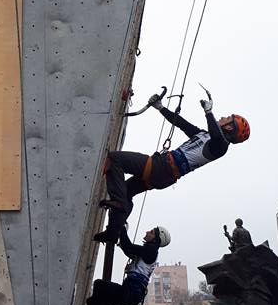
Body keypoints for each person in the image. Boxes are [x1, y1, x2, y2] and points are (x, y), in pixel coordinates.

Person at [95, 93, 250, 243]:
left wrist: (208, 112)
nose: (222, 118)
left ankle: (119, 204)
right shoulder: (204, 135)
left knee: (115, 159)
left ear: (230, 128)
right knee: (127, 191)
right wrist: (161, 108)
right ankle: (113, 231)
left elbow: (217, 136)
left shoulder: (221, 147)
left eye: (227, 119)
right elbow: (181, 123)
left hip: (162, 167)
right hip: (164, 174)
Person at [82, 224, 171, 305]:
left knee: (99, 285)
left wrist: (122, 227)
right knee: (93, 301)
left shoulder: (151, 251)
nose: (147, 232)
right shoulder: (147, 252)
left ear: (156, 238)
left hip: (131, 293)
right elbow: (127, 248)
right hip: (131, 293)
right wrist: (122, 233)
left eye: (151, 232)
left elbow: (128, 247)